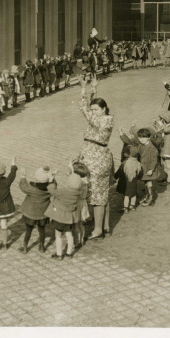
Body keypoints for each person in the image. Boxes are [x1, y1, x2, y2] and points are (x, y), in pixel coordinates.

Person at [78, 77, 114, 240]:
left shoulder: (106, 120)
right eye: (92, 110)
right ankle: (104, 225)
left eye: (97, 110)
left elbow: (84, 110)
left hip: (97, 160)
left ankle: (98, 229)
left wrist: (83, 89)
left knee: (98, 196)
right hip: (92, 157)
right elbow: (90, 109)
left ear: (105, 109)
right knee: (98, 193)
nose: (93, 112)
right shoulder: (100, 118)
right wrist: (94, 89)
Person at [45, 165, 83, 260]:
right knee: (69, 235)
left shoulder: (63, 191)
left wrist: (51, 181)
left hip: (60, 218)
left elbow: (52, 191)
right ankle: (69, 253)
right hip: (69, 218)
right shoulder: (77, 193)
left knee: (58, 236)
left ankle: (59, 254)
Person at [18, 166, 55, 254]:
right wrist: (52, 179)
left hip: (30, 213)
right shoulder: (50, 189)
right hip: (42, 213)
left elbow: (23, 187)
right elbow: (54, 186)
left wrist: (23, 176)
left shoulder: (31, 188)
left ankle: (25, 247)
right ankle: (42, 246)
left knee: (28, 230)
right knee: (42, 229)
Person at [137, 128, 161, 207]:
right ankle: (147, 196)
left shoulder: (152, 148)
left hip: (149, 168)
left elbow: (154, 160)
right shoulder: (141, 145)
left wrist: (151, 169)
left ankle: (150, 198)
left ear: (149, 137)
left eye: (144, 137)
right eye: (140, 137)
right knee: (146, 182)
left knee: (149, 182)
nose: (142, 139)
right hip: (144, 167)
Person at [114, 146, 142, 213]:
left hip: (126, 182)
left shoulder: (125, 163)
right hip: (134, 182)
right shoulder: (138, 163)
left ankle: (125, 208)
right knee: (133, 194)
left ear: (129, 154)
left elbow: (119, 172)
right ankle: (132, 206)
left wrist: (114, 177)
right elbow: (140, 173)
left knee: (126, 195)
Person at [154, 110, 170, 185]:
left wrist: (160, 124)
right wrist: (156, 126)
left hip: (168, 149)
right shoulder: (166, 125)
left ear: (165, 120)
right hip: (163, 148)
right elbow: (159, 132)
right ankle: (165, 177)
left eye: (161, 119)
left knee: (168, 166)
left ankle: (168, 180)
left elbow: (165, 130)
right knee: (164, 165)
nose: (160, 120)